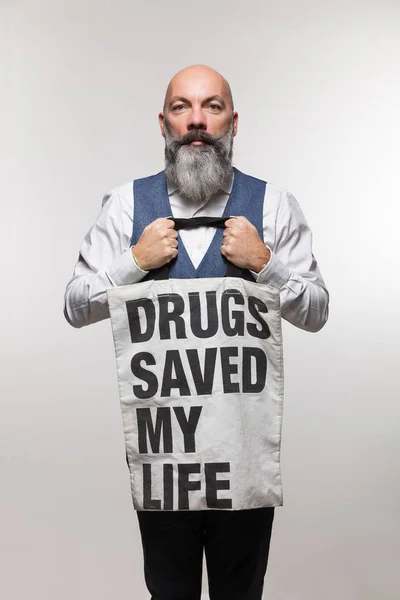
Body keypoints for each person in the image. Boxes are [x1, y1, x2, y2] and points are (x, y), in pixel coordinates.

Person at [64, 65, 329, 600]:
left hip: (244, 458)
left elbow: (317, 310)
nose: (197, 121)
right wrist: (132, 262)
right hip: (169, 460)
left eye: (212, 106)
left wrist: (266, 263)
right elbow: (75, 306)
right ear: (163, 123)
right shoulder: (125, 205)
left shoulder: (273, 205)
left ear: (234, 121)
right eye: (182, 108)